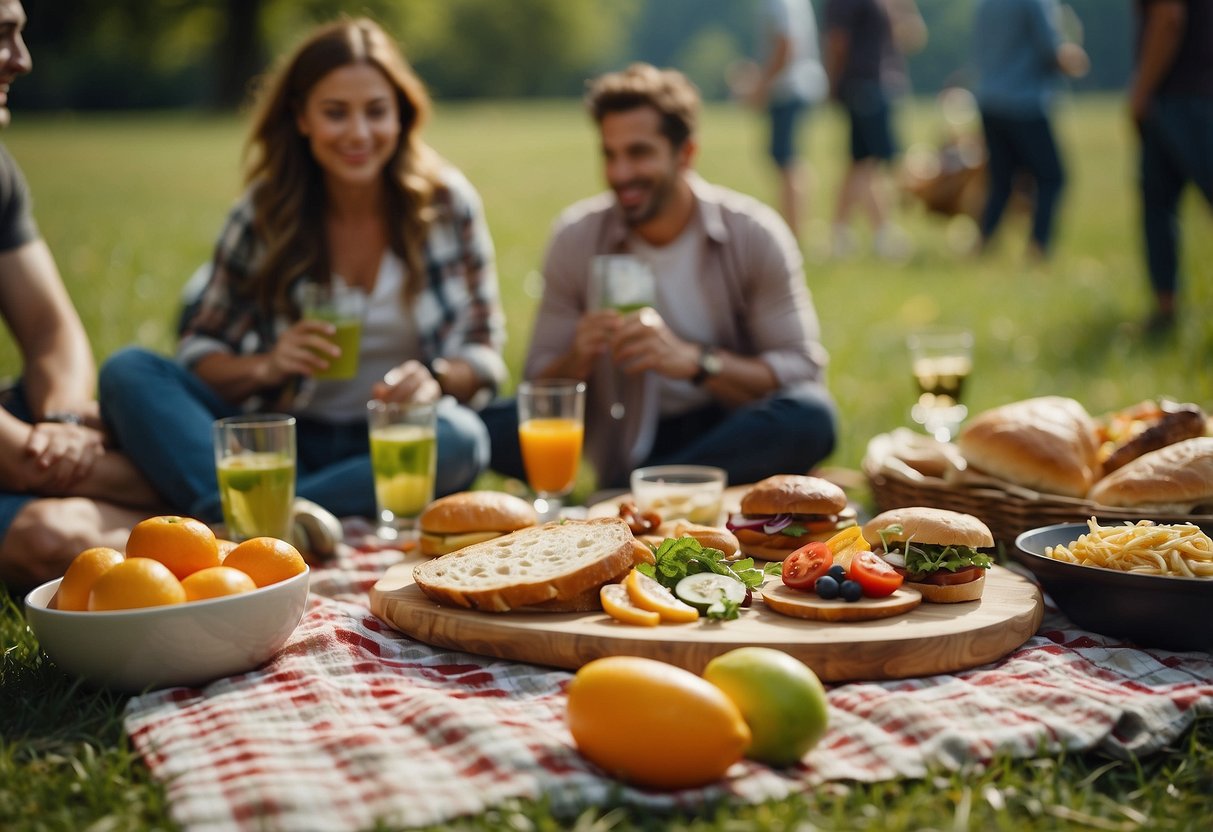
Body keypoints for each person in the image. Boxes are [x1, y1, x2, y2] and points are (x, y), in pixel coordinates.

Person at [99, 18, 504, 527]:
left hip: (390, 444)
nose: (358, 133)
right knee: (128, 371)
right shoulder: (265, 213)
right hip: (282, 438)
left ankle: (243, 515)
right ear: (302, 117)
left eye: (376, 112)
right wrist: (268, 365)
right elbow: (201, 352)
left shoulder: (446, 205)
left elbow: (483, 353)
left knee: (464, 440)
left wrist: (436, 379)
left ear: (401, 116)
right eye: (335, 113)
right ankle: (282, 514)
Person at [481, 64, 836, 491]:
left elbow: (801, 370)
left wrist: (695, 362)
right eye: (610, 155)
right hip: (625, 436)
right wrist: (578, 355)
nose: (620, 173)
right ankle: (659, 488)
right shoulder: (576, 238)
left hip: (730, 429)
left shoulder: (753, 233)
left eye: (639, 153)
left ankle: (640, 492)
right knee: (484, 426)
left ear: (685, 154)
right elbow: (538, 388)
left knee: (812, 416)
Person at [0, 0, 163, 589]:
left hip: (24, 437)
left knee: (135, 416)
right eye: (2, 38)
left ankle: (222, 537)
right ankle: (237, 545)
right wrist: (48, 458)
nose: (22, 60)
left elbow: (50, 330)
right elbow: (18, 459)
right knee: (56, 540)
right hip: (15, 456)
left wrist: (63, 419)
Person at [973, 0, 1089, 261]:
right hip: (1024, 103)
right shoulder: (1035, 2)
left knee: (1001, 180)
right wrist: (1075, 60)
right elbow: (1052, 49)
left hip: (989, 100)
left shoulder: (985, 4)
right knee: (1051, 177)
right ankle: (1038, 249)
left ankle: (982, 243)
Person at [1129, 0, 1213, 332]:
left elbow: (1168, 16)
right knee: (1157, 206)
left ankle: (1166, 312)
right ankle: (1165, 314)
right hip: (1179, 95)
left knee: (1160, 206)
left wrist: (1141, 89)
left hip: (1186, 95)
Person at [822, 0, 926, 259]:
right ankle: (878, 234)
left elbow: (913, 37)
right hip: (863, 85)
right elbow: (837, 41)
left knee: (860, 162)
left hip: (873, 84)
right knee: (871, 163)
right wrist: (832, 84)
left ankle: (842, 233)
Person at [733, 0, 828, 241]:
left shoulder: (780, 3)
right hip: (793, 87)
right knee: (788, 160)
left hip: (788, 89)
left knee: (786, 161)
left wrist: (761, 86)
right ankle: (795, 227)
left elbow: (786, 45)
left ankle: (793, 232)